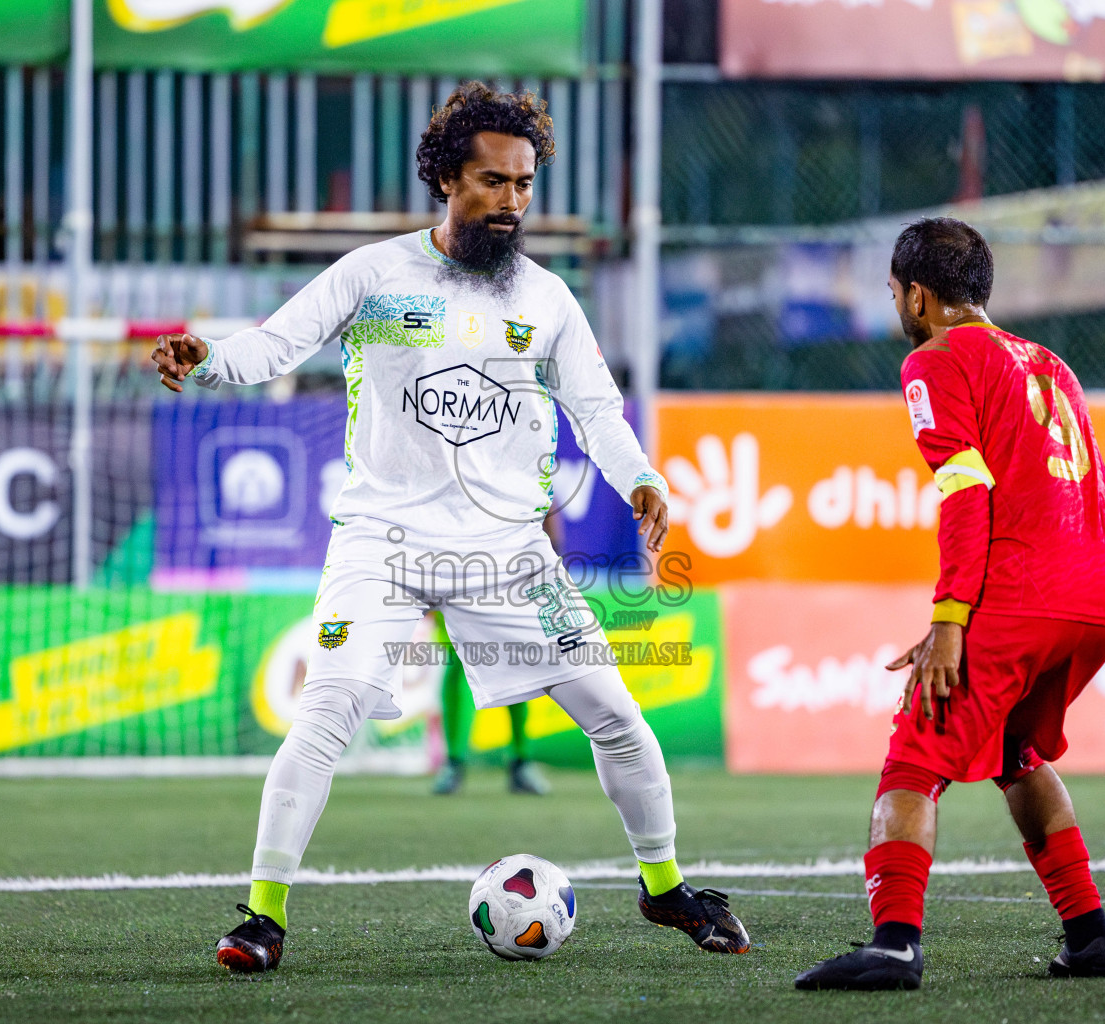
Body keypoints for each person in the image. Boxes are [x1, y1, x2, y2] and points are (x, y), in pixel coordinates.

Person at [152, 82, 751, 973]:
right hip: (382, 541)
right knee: (328, 709)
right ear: (446, 180)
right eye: (491, 181)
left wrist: (641, 480)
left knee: (617, 717)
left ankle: (665, 890)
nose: (511, 200)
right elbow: (273, 345)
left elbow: (597, 407)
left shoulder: (547, 298)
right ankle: (263, 917)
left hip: (508, 552)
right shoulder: (374, 275)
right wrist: (207, 358)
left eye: (524, 183)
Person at [795, 218, 1105, 991]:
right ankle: (1092, 939)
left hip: (1029, 592)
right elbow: (1072, 491)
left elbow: (966, 490)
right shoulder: (1049, 361)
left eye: (893, 293)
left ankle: (894, 944)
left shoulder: (935, 358)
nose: (897, 308)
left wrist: (953, 620)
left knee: (914, 760)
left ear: (918, 295)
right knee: (1016, 752)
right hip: (1103, 588)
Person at [431, 510, 563, 797]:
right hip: (458, 570)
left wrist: (546, 565)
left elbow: (546, 503)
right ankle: (454, 761)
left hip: (511, 572)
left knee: (516, 663)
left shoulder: (519, 469)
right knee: (458, 663)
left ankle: (521, 760)